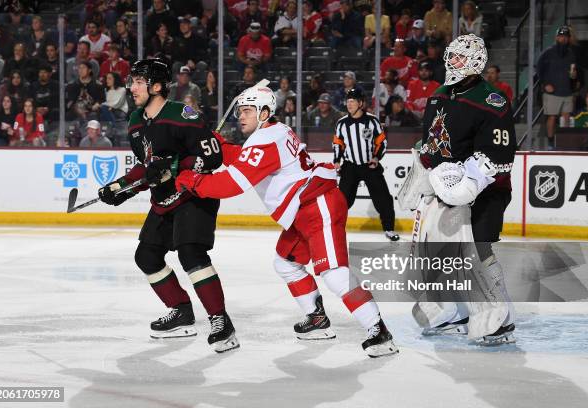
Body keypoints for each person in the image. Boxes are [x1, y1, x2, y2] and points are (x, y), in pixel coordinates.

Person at [174, 85, 398, 358]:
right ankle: (317, 320)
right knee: (286, 263)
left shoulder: (265, 141)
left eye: (248, 111)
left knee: (334, 273)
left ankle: (379, 332)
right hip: (303, 210)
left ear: (265, 113)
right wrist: (221, 148)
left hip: (318, 206)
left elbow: (232, 183)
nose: (241, 117)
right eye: (240, 111)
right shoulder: (274, 132)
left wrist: (192, 181)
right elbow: (247, 159)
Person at [97, 58, 239, 353]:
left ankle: (221, 321)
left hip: (194, 194)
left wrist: (173, 166)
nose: (131, 87)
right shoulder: (136, 120)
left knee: (190, 253)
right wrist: (120, 187)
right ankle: (181, 312)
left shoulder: (183, 114)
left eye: (138, 82)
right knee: (146, 256)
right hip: (164, 199)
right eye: (131, 81)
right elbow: (147, 166)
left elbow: (211, 158)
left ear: (157, 86)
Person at [407, 33, 516, 345]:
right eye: (450, 56)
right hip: (444, 188)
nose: (450, 63)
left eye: (458, 58)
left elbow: (499, 155)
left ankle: (500, 318)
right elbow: (430, 141)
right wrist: (423, 170)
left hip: (486, 190)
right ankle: (450, 313)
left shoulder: (492, 101)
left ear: (476, 62)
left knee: (478, 249)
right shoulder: (439, 95)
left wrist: (470, 178)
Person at [333, 88, 399, 241]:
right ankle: (335, 230)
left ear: (360, 103)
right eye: (347, 101)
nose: (349, 104)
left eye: (352, 101)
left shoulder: (372, 121)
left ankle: (389, 229)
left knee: (384, 199)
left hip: (369, 166)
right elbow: (338, 143)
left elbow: (381, 142)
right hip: (350, 166)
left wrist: (376, 158)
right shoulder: (342, 123)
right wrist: (337, 160)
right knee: (341, 201)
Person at [537, 26, 578, 148]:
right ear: (556, 38)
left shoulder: (571, 54)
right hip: (552, 92)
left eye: (565, 37)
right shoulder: (548, 52)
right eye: (561, 36)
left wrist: (574, 77)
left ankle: (565, 142)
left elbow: (574, 73)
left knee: (566, 117)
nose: (563, 39)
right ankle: (550, 143)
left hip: (567, 91)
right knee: (552, 117)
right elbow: (539, 69)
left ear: (568, 39)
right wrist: (545, 84)